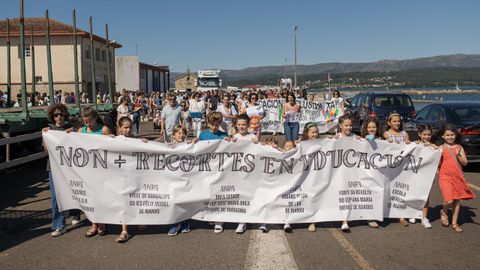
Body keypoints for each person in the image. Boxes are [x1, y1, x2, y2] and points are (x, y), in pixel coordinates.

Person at [42, 104, 81, 237]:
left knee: (72, 191)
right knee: (55, 197)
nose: (59, 117)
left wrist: (73, 133)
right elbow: (46, 151)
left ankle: (76, 213)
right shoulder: (49, 130)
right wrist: (45, 136)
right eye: (56, 115)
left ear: (65, 115)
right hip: (53, 167)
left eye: (61, 115)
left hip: (69, 167)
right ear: (52, 117)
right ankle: (58, 225)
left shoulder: (70, 128)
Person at [78, 107, 111, 237]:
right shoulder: (81, 130)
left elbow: (112, 147)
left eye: (90, 122)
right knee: (90, 198)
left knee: (101, 197)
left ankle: (102, 223)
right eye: (85, 122)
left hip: (102, 169)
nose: (88, 124)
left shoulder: (104, 130)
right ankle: (93, 224)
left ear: (95, 118)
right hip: (87, 170)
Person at [195, 112, 229, 233]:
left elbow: (232, 148)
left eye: (217, 124)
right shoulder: (203, 134)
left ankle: (219, 220)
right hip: (207, 168)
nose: (214, 127)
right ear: (208, 123)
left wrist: (230, 140)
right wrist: (194, 141)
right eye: (212, 124)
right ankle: (211, 214)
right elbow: (197, 147)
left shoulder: (224, 134)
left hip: (220, 168)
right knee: (208, 192)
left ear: (220, 124)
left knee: (218, 193)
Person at [438, 124, 476, 233]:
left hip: (457, 177)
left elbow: (465, 163)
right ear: (443, 137)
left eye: (452, 135)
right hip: (445, 177)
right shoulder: (441, 148)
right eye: (447, 135)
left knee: (456, 201)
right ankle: (443, 211)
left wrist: (459, 155)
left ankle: (454, 223)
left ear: (455, 135)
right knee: (449, 200)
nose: (450, 137)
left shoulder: (459, 147)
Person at [230, 114, 258, 234]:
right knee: (239, 195)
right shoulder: (234, 137)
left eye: (244, 125)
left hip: (251, 171)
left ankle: (246, 220)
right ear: (236, 125)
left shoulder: (252, 136)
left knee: (248, 194)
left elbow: (260, 151)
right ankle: (241, 221)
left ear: (248, 125)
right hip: (237, 172)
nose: (241, 127)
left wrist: (257, 143)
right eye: (239, 125)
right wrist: (229, 142)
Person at [334, 114, 361, 233]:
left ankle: (346, 220)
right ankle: (343, 220)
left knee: (350, 195)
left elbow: (369, 143)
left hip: (352, 171)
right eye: (346, 125)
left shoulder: (355, 137)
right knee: (341, 194)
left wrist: (364, 140)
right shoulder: (336, 137)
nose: (349, 128)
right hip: (339, 172)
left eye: (350, 125)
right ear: (340, 126)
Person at [383, 112, 411, 226]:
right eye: (394, 121)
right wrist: (390, 140)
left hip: (402, 167)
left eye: (398, 121)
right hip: (390, 167)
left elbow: (410, 146)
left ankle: (401, 216)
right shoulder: (387, 133)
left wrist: (410, 143)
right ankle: (386, 212)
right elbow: (386, 138)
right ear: (389, 123)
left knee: (401, 191)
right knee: (388, 190)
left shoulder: (404, 134)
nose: (397, 123)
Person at [412, 124, 439, 229]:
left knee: (425, 195)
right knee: (414, 193)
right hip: (415, 174)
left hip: (427, 175)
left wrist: (432, 146)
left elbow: (438, 151)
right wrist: (415, 144)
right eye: (424, 134)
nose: (426, 137)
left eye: (428, 134)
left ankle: (424, 218)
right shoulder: (415, 144)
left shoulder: (433, 146)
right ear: (419, 134)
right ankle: (413, 213)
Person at [360, 117, 382, 228]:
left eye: (374, 127)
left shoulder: (382, 140)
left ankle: (375, 214)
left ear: (377, 128)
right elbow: (369, 138)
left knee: (377, 192)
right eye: (369, 127)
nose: (371, 129)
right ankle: (369, 217)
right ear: (366, 128)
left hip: (378, 171)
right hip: (366, 170)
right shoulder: (365, 138)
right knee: (368, 192)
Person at [300, 122, 320, 232]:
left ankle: (313, 220)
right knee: (306, 196)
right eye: (312, 132)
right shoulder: (302, 143)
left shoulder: (323, 143)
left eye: (316, 132)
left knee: (315, 196)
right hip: (306, 175)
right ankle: (306, 218)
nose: (315, 134)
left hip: (317, 174)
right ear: (307, 133)